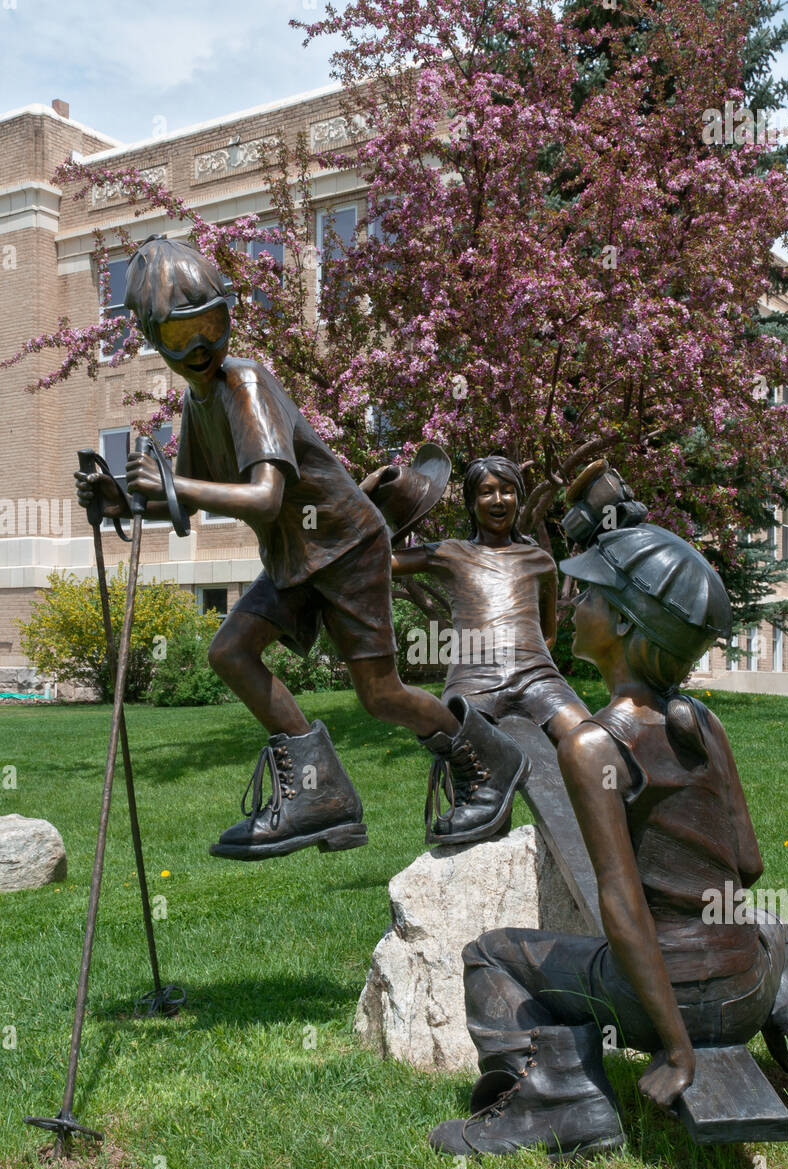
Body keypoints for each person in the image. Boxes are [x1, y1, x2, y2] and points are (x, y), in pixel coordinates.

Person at [429, 514, 788, 1160]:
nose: (574, 604)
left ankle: (563, 1104)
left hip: (660, 1003)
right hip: (746, 991)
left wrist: (676, 1046)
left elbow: (622, 904)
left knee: (489, 955)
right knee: (771, 928)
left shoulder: (591, 744)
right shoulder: (703, 722)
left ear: (625, 624)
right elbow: (749, 864)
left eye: (592, 595)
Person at [74, 235, 529, 859]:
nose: (203, 348)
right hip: (294, 560)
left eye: (212, 325)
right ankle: (323, 795)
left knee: (380, 695)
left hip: (343, 547)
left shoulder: (245, 384)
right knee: (232, 652)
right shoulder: (199, 400)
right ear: (155, 342)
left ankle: (491, 760)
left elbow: (262, 497)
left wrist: (169, 484)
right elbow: (199, 498)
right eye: (183, 338)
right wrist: (121, 502)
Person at [391, 455, 590, 745]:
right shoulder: (450, 553)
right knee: (464, 753)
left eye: (508, 491)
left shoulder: (540, 562)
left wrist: (522, 655)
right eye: (486, 492)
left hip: (538, 679)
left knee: (589, 740)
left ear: (519, 499)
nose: (499, 500)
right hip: (473, 681)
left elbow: (547, 635)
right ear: (472, 503)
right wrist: (391, 509)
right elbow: (379, 562)